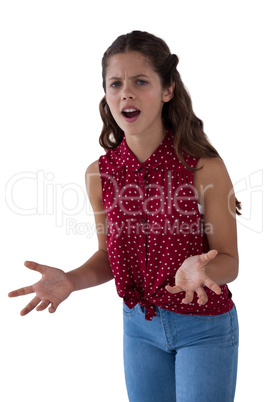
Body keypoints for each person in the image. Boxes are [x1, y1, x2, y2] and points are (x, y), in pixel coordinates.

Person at [9, 31, 240, 402]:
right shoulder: (98, 175)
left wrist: (203, 270)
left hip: (204, 329)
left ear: (168, 90)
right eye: (115, 83)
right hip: (139, 330)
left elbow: (229, 262)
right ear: (106, 93)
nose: (126, 93)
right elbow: (108, 258)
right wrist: (71, 279)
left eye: (141, 82)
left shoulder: (204, 168)